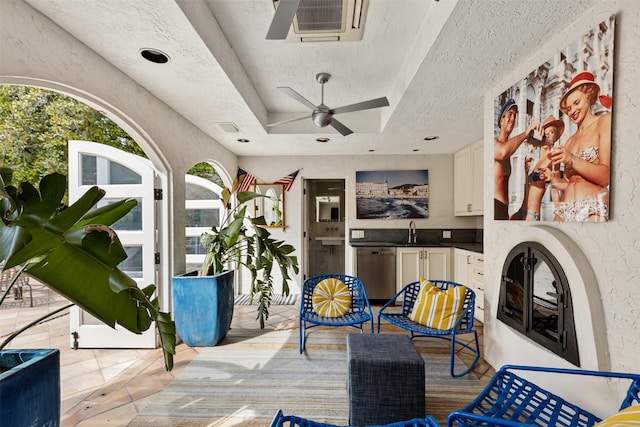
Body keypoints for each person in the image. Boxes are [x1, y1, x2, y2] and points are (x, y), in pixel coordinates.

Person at [548, 71, 611, 222]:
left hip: (592, 208)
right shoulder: (569, 141)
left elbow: (606, 176)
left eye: (576, 103)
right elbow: (571, 184)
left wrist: (571, 159)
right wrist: (553, 178)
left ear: (588, 97)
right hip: (564, 212)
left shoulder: (604, 122)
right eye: (568, 109)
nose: (572, 111)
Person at [510, 116, 565, 220]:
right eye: (545, 132)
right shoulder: (537, 160)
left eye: (552, 132)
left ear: (556, 137)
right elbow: (529, 188)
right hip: (521, 210)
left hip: (531, 214)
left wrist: (559, 217)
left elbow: (555, 188)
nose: (547, 134)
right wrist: (526, 172)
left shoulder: (553, 157)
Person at [494, 98, 541, 219]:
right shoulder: (494, 142)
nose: (513, 119)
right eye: (510, 115)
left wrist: (526, 171)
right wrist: (526, 133)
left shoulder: (509, 149)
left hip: (503, 210)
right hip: (495, 206)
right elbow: (502, 152)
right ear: (502, 120)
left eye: (515, 116)